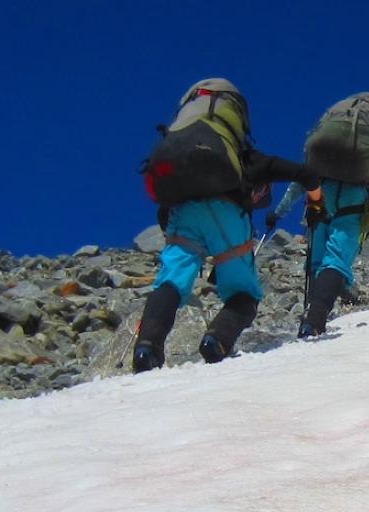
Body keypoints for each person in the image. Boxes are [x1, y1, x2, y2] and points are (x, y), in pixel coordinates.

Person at [132, 78, 319, 371]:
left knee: (171, 281)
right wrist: (316, 200)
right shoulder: (242, 155)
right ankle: (217, 339)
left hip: (183, 213)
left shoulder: (179, 143)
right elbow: (304, 173)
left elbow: (163, 211)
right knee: (244, 294)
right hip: (226, 215)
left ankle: (147, 347)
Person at [268, 92, 369, 338]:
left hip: (318, 198)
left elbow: (303, 177)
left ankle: (309, 318)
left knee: (316, 261)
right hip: (353, 200)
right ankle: (315, 320)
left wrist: (279, 211)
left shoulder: (332, 124)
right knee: (336, 260)